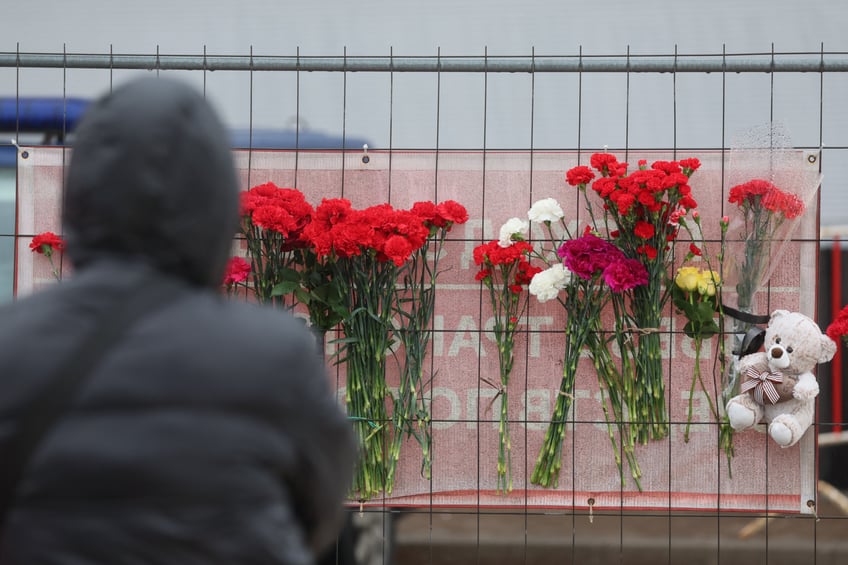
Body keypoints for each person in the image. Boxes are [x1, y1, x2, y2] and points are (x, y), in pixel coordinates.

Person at [0, 76, 356, 564]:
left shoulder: (10, 344)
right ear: (215, 204)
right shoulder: (273, 353)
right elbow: (321, 504)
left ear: (79, 198)